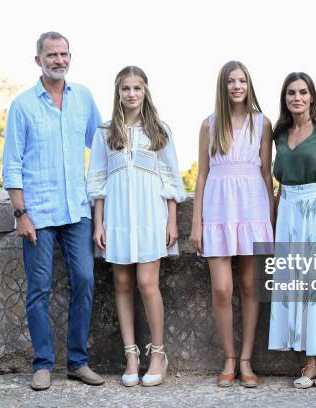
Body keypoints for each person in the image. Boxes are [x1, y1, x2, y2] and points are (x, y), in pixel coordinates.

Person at [2, 31, 104, 391]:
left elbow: (104, 144)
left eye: (64, 54)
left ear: (69, 58)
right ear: (38, 61)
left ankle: (77, 362)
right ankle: (43, 363)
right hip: (39, 215)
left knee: (85, 280)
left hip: (78, 210)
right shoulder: (23, 105)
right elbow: (12, 165)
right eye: (52, 55)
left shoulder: (84, 98)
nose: (59, 60)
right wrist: (20, 213)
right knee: (39, 290)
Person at [87, 66, 186, 387]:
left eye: (137, 88)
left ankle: (158, 353)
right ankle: (131, 356)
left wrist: (172, 219)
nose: (131, 94)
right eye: (125, 88)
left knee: (147, 283)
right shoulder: (105, 132)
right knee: (122, 283)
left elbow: (171, 177)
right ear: (117, 93)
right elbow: (98, 179)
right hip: (117, 217)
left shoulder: (159, 130)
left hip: (150, 216)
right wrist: (98, 224)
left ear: (145, 92)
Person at [190, 61, 274, 388]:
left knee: (251, 286)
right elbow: (201, 175)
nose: (237, 86)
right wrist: (196, 222)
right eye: (231, 81)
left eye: (242, 81)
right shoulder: (209, 125)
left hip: (252, 206)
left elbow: (267, 174)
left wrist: (271, 219)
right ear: (222, 87)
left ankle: (246, 360)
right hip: (218, 208)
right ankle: (228, 357)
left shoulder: (261, 123)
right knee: (222, 287)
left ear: (249, 85)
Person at [268, 72, 316, 388]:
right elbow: (277, 182)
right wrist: (272, 223)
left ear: (311, 96)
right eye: (290, 93)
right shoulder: (280, 133)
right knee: (293, 284)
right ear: (284, 99)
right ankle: (309, 363)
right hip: (287, 209)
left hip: (315, 209)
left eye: (302, 92)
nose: (297, 98)